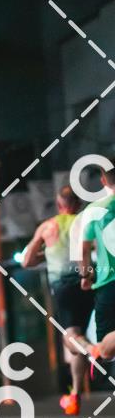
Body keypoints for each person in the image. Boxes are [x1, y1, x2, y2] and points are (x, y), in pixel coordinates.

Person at [22, 185, 94, 415]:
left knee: (71, 338)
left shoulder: (48, 226)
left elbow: (26, 261)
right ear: (78, 205)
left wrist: (47, 252)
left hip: (63, 287)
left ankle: (94, 350)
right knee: (77, 337)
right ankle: (75, 394)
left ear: (59, 204)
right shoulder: (84, 222)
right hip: (88, 283)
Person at [81, 159, 115, 375]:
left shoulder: (94, 210)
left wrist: (85, 275)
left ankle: (96, 349)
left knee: (105, 350)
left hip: (108, 283)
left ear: (103, 180)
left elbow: (83, 249)